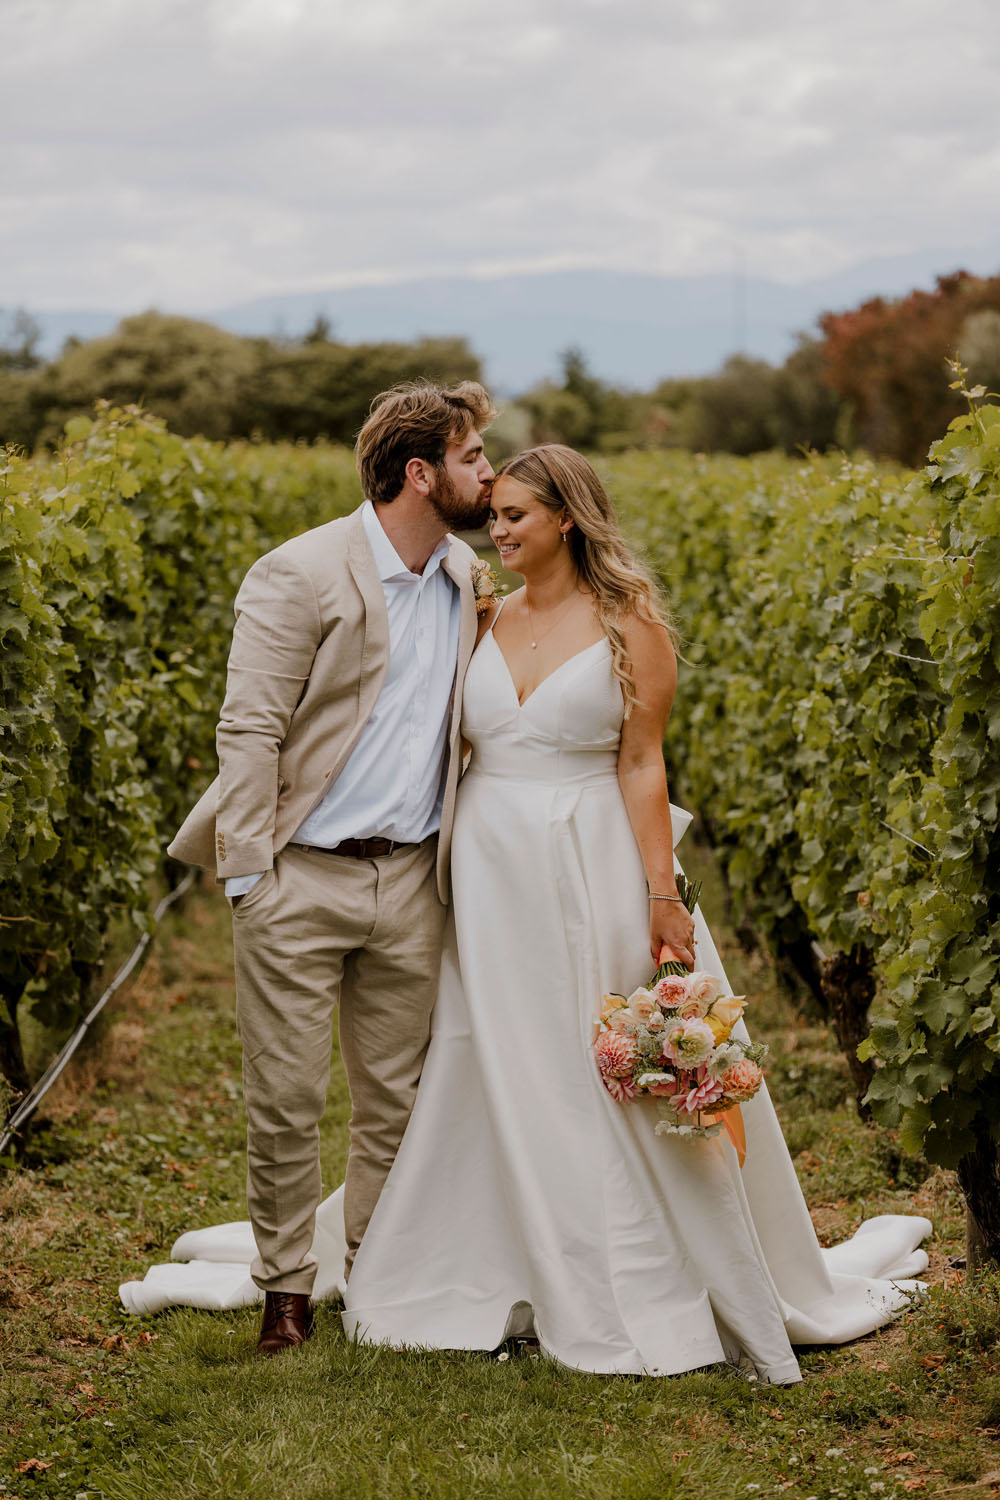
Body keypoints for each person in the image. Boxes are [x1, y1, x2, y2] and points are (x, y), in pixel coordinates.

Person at [123, 445, 931, 1382]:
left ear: (569, 519)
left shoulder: (633, 625)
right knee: (487, 1059)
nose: (496, 531)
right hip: (486, 874)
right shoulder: (481, 611)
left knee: (597, 1060)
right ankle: (475, 1250)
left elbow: (641, 764)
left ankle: (631, 1262)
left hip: (592, 862)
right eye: (493, 513)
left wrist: (662, 894)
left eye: (516, 516)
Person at [163, 379, 496, 1356]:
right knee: (287, 1099)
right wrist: (248, 876)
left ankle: (379, 1277)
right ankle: (285, 1291)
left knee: (396, 1098)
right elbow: (249, 727)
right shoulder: (299, 573)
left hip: (412, 879)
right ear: (421, 472)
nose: (490, 471)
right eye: (475, 456)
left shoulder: (465, 575)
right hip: (298, 877)